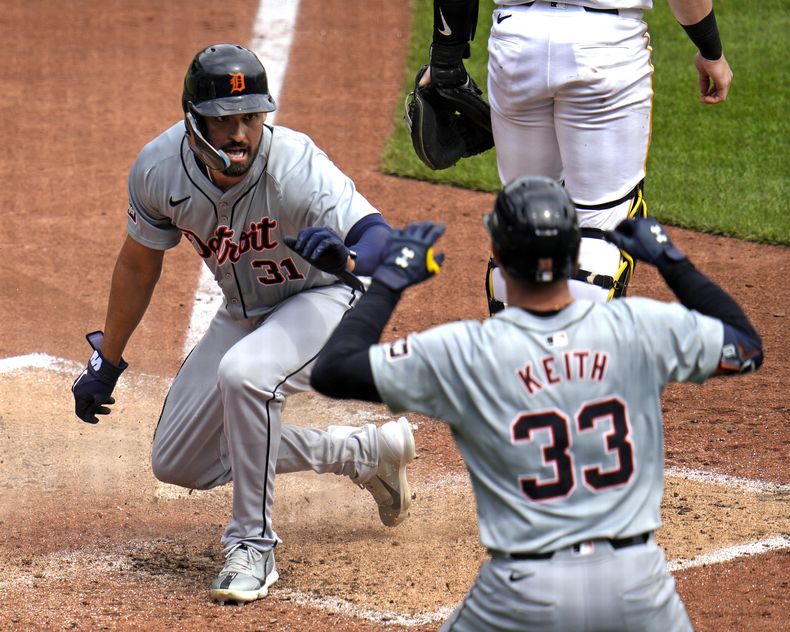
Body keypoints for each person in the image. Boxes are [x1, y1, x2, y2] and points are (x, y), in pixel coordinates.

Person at [310, 176, 762, 631]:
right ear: (573, 254)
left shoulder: (468, 352)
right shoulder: (639, 328)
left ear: (500, 260)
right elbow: (744, 347)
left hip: (521, 595)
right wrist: (669, 256)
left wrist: (388, 280)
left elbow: (333, 370)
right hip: (639, 589)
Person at [71, 43, 417, 604]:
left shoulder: (296, 167)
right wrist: (105, 360)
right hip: (247, 310)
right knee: (178, 461)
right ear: (193, 121)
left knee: (245, 376)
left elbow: (381, 240)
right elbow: (139, 263)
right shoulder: (159, 171)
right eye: (224, 120)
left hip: (331, 296)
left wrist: (348, 259)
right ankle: (362, 453)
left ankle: (253, 545)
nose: (240, 133)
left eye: (251, 118)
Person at [420, 0, 733, 311]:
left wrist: (447, 55)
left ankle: (516, 357)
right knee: (601, 221)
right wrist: (710, 49)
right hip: (606, 44)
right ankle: (583, 357)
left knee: (524, 214)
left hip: (516, 43)